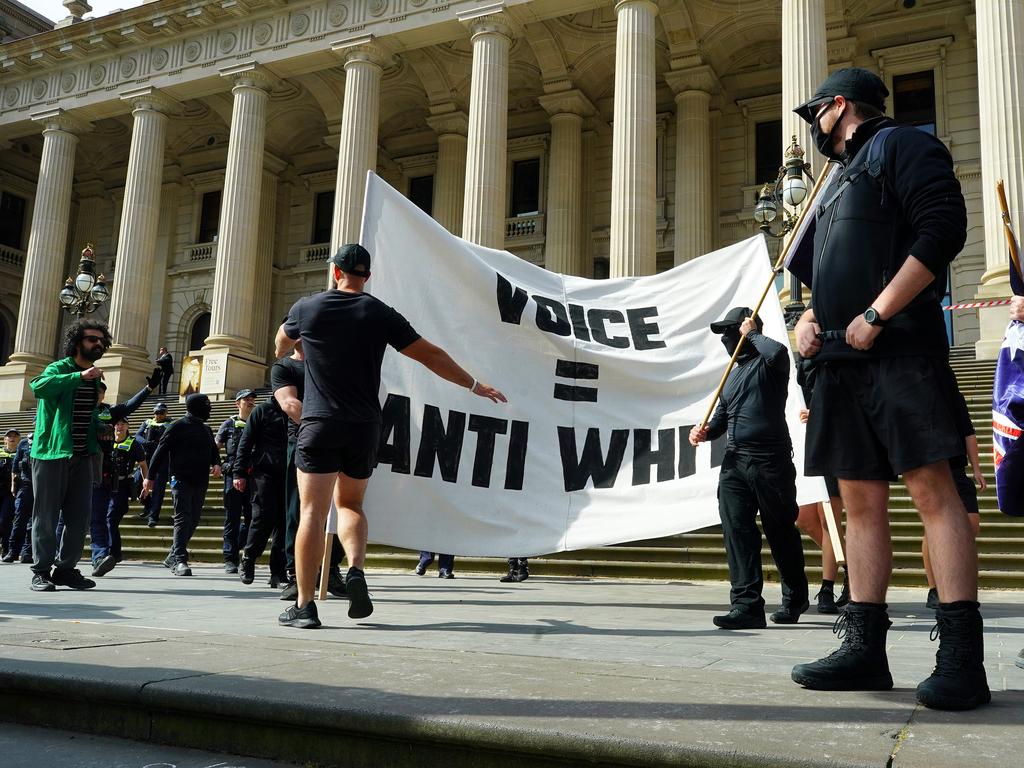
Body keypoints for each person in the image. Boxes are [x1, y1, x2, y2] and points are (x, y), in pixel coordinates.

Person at [790, 67, 988, 710]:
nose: (811, 126)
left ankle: (961, 657)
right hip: (840, 366)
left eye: (813, 112)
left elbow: (942, 231)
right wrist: (808, 318)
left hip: (901, 352)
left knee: (934, 493)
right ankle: (863, 649)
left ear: (839, 105)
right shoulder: (832, 180)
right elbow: (817, 272)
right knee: (858, 504)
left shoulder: (904, 146)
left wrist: (878, 313)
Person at [274, 243, 506, 629]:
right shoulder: (378, 312)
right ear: (367, 276)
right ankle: (357, 571)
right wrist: (474, 385)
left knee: (312, 512)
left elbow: (282, 345)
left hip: (320, 422)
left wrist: (297, 345)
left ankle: (304, 605)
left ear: (335, 272)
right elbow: (430, 355)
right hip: (365, 425)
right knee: (350, 504)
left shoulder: (306, 308)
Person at [690, 307, 808, 629]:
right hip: (734, 463)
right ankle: (746, 605)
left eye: (731, 331)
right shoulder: (731, 375)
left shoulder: (770, 363)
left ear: (746, 329)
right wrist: (704, 432)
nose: (726, 339)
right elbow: (721, 419)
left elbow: (780, 350)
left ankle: (795, 596)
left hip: (771, 462)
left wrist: (753, 333)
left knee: (780, 529)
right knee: (737, 531)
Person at [27, 319, 111, 592]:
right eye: (91, 339)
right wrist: (79, 377)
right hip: (52, 453)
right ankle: (40, 570)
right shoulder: (60, 369)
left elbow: (87, 414)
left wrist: (100, 425)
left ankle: (65, 570)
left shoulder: (96, 377)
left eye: (101, 340)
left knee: (79, 518)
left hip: (83, 454)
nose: (97, 344)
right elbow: (39, 387)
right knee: (46, 515)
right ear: (77, 342)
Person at [271, 340, 346, 601]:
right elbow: (290, 404)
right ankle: (296, 574)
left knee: (337, 510)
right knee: (298, 511)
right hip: (303, 442)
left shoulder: (329, 363)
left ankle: (331, 569)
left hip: (337, 442)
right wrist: (323, 425)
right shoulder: (285, 367)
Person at [143, 393, 222, 577]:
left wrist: (216, 463)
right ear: (196, 407)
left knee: (193, 520)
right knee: (182, 517)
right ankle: (180, 560)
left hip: (201, 481)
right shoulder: (176, 426)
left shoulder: (206, 428)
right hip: (180, 479)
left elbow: (213, 450)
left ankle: (173, 554)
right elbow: (160, 452)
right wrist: (150, 477)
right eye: (207, 405)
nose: (210, 409)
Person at [922, 385, 984, 610]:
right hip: (932, 466)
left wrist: (977, 469)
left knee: (971, 523)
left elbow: (968, 431)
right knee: (934, 525)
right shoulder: (916, 392)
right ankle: (934, 588)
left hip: (957, 468)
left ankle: (953, 577)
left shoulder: (954, 395)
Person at [234, 393, 289, 588]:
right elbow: (245, 443)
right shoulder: (262, 411)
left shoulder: (297, 409)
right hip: (263, 473)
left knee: (285, 523)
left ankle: (278, 572)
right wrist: (238, 472)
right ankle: (249, 557)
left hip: (291, 474)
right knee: (262, 517)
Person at [91, 415, 149, 577]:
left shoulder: (133, 444)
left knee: (111, 518)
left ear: (128, 427)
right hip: (104, 484)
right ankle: (111, 554)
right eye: (117, 424)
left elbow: (143, 465)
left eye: (123, 424)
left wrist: (146, 482)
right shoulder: (106, 442)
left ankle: (113, 554)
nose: (120, 426)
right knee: (103, 518)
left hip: (122, 486)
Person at [217, 389, 256, 574]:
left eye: (252, 399)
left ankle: (242, 550)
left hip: (253, 476)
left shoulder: (257, 423)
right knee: (232, 518)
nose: (250, 402)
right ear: (237, 403)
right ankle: (230, 558)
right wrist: (216, 464)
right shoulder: (229, 424)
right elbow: (214, 447)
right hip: (232, 476)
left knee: (251, 518)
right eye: (246, 399)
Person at [135, 403, 173, 527]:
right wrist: (146, 443)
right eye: (156, 413)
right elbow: (137, 435)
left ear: (166, 413)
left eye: (161, 413)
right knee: (135, 483)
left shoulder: (171, 424)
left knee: (158, 490)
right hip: (146, 459)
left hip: (162, 461)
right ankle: (148, 505)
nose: (158, 415)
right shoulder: (147, 423)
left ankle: (153, 516)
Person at [3, 431, 34, 563]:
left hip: (42, 487)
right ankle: (13, 551)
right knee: (19, 520)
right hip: (25, 485)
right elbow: (15, 467)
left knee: (33, 522)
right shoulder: (24, 443)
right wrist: (13, 486)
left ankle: (27, 553)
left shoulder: (48, 440)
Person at [0, 429, 19, 561]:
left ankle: (6, 548)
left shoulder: (21, 453)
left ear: (19, 439)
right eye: (9, 436)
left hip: (10, 493)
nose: (11, 438)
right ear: (4, 439)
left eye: (15, 436)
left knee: (4, 521)